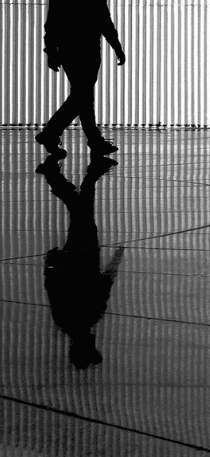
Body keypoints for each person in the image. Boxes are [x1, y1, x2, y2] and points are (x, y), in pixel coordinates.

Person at [36, 0, 125, 157]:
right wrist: (116, 46)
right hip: (89, 53)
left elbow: (52, 26)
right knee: (83, 96)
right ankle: (52, 131)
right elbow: (105, 24)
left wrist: (51, 51)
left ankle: (93, 140)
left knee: (83, 96)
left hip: (71, 53)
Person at [37, 155, 124, 368]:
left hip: (84, 254)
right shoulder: (66, 321)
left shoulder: (89, 317)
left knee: (80, 210)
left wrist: (117, 258)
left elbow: (106, 282)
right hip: (75, 257)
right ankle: (84, 175)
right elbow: (53, 288)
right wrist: (50, 265)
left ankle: (61, 174)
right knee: (81, 210)